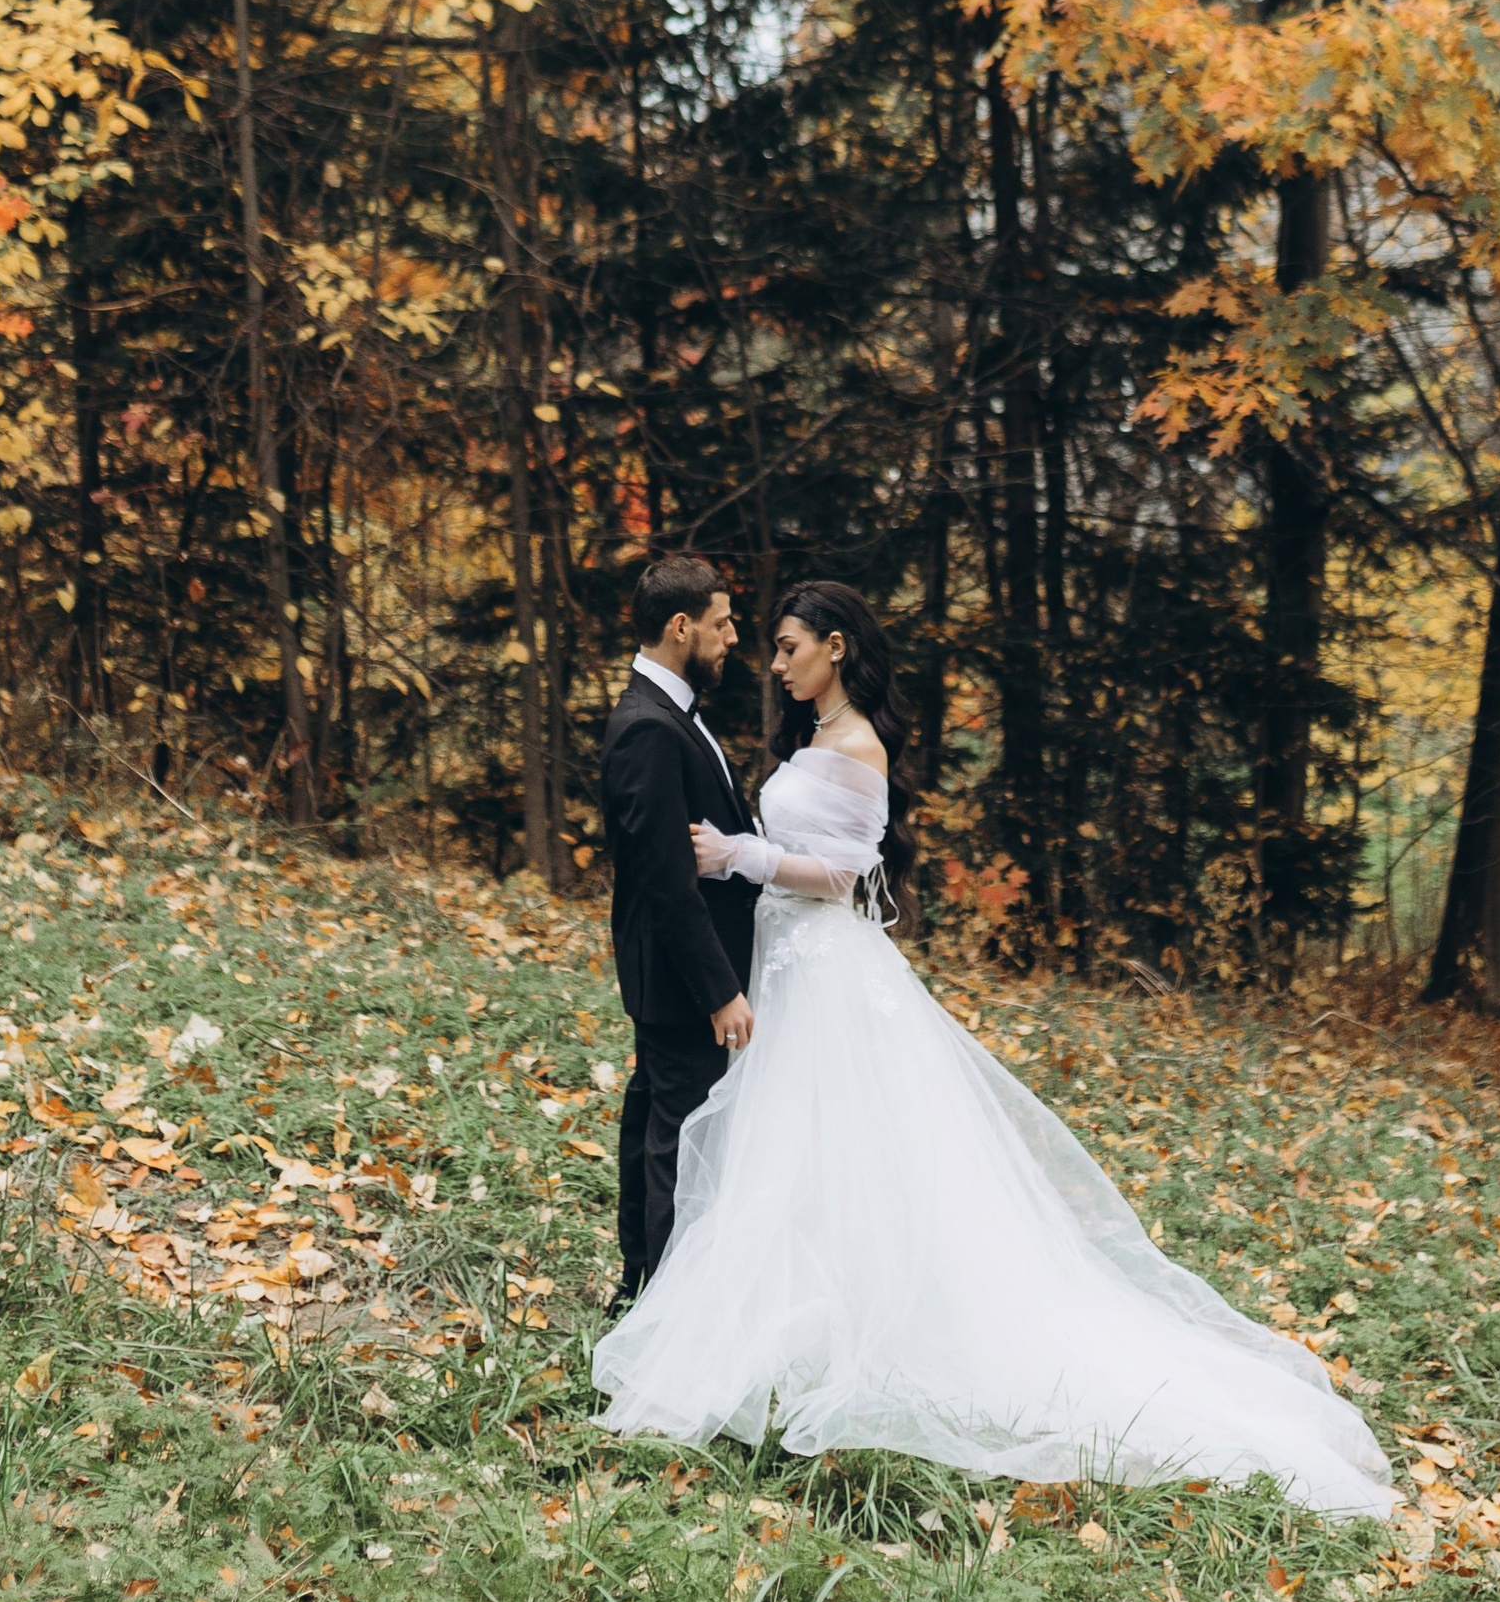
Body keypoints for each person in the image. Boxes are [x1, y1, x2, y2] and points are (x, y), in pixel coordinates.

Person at [594, 578, 1393, 1510]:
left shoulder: (856, 744)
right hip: (781, 962)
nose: (772, 662)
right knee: (786, 1153)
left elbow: (852, 877)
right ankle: (768, 1320)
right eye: (763, 644)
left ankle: (827, 1330)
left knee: (830, 1147)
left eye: (788, 646)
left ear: (838, 648)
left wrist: (744, 856)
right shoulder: (807, 737)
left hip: (823, 968)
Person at [598, 554, 763, 1315]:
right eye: (723, 623)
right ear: (680, 626)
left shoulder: (673, 716)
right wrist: (720, 990)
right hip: (680, 981)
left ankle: (638, 1288)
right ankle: (664, 1316)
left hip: (673, 977)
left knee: (656, 1123)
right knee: (678, 1143)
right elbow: (665, 878)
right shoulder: (648, 730)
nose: (732, 637)